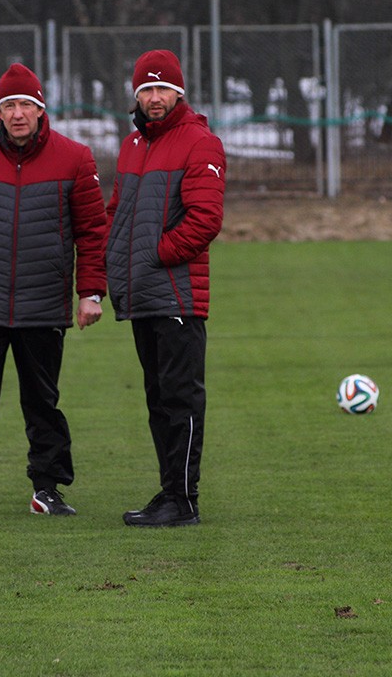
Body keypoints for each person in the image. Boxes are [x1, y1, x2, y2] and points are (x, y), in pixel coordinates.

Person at [0, 63, 107, 518]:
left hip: (44, 304)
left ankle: (47, 489)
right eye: (8, 105)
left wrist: (91, 291)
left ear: (40, 109)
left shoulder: (75, 157)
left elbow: (92, 232)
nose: (17, 114)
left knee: (42, 402)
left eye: (25, 105)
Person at [105, 50, 226, 527]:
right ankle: (169, 492)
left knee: (180, 398)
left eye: (162, 90)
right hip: (142, 295)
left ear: (179, 92)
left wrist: (153, 255)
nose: (154, 99)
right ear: (136, 95)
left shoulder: (201, 143)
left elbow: (205, 220)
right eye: (146, 90)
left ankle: (184, 500)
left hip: (177, 294)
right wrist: (117, 263)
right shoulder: (134, 144)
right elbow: (116, 213)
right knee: (158, 399)